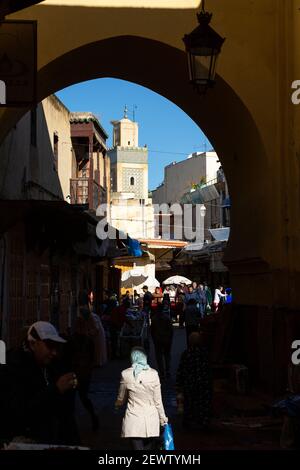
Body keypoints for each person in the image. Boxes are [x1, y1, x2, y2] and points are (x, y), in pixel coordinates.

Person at [4, 321, 79, 444]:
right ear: (33, 344)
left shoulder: (50, 365)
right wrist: (56, 389)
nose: (54, 352)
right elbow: (21, 410)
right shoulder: (15, 368)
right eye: (49, 346)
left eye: (56, 347)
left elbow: (64, 415)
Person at [115, 347, 168, 450]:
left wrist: (118, 404)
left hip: (134, 420)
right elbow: (158, 401)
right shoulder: (154, 374)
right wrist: (163, 419)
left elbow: (121, 398)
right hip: (151, 421)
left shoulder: (125, 374)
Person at [176, 332, 212, 430]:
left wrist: (179, 384)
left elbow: (181, 369)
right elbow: (209, 369)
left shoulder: (187, 354)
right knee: (203, 404)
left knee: (190, 403)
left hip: (190, 384)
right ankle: (203, 422)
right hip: (203, 384)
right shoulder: (205, 353)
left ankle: (190, 423)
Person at [151, 304, 173, 379]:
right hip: (166, 339)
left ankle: (162, 372)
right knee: (167, 355)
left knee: (159, 356)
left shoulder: (154, 319)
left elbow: (152, 331)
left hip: (158, 340)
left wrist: (153, 339)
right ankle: (168, 370)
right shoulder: (167, 318)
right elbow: (171, 330)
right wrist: (170, 338)